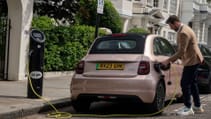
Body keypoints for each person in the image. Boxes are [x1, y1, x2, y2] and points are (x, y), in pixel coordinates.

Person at [161, 15, 204, 116]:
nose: (171, 28)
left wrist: (168, 60)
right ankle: (197, 106)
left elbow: (181, 51)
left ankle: (188, 108)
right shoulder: (185, 28)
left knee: (184, 83)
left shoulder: (183, 32)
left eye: (171, 26)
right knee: (192, 83)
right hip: (194, 59)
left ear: (175, 23)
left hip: (192, 60)